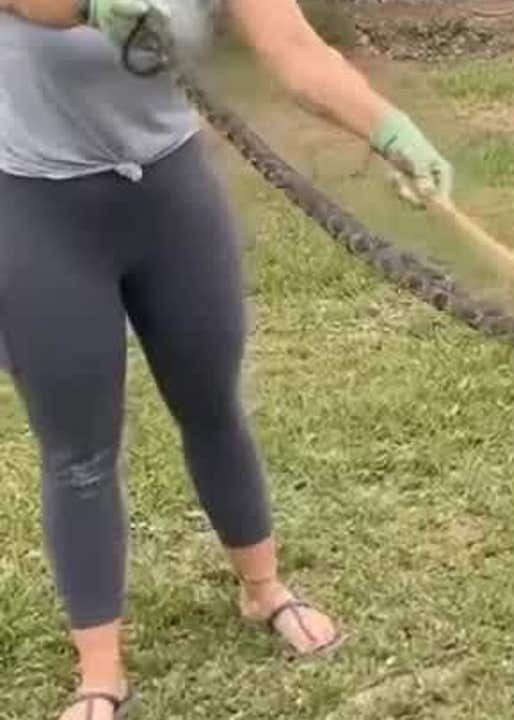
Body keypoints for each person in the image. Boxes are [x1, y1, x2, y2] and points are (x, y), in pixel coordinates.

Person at [0, 1, 454, 717]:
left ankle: (263, 589)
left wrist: (388, 128)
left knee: (212, 405)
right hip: (38, 208)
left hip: (172, 200)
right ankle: (99, 672)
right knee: (78, 450)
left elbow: (293, 47)